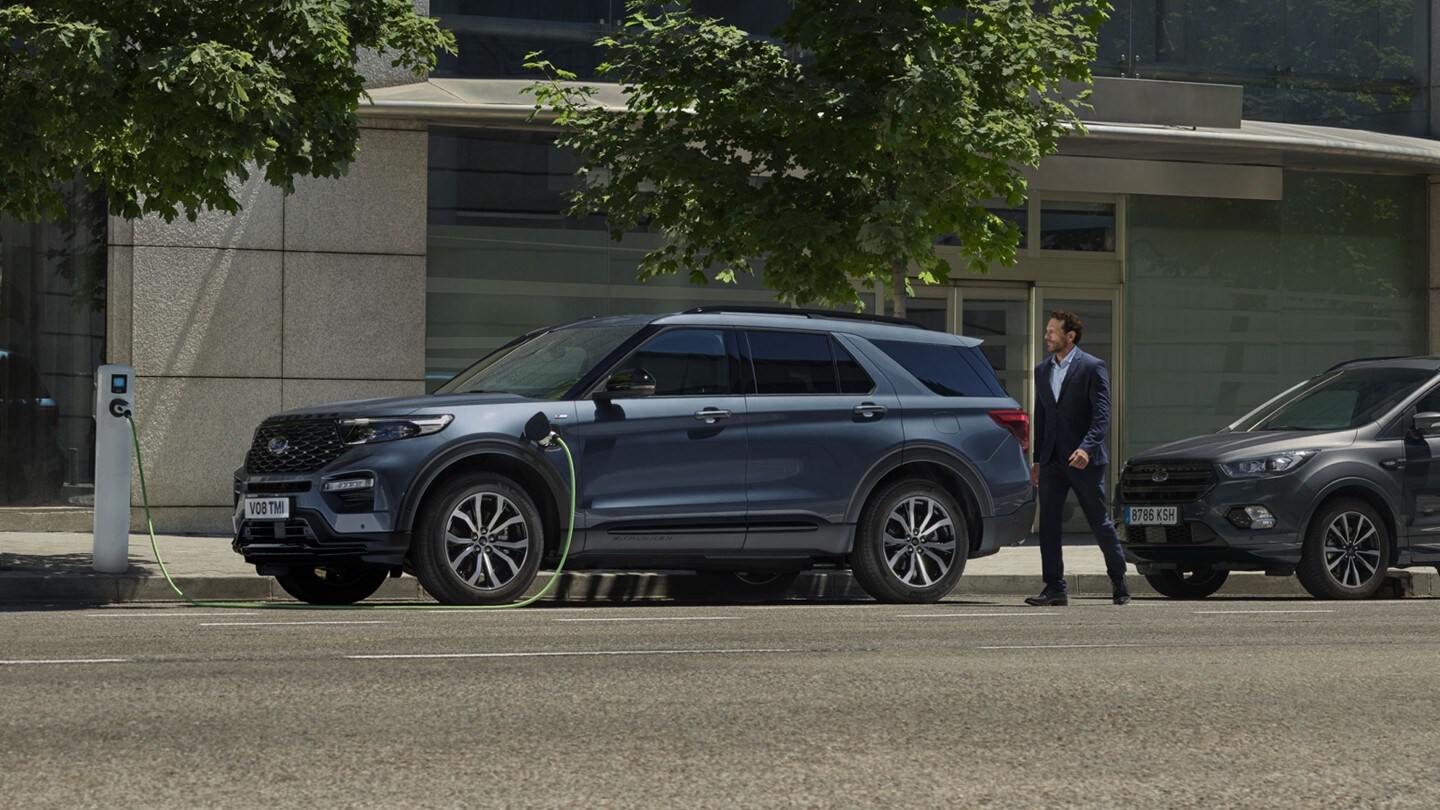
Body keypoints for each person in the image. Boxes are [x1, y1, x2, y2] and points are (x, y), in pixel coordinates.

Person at [1024, 310, 1131, 606]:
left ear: (1069, 336)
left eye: (1052, 331)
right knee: (1048, 523)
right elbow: (1042, 416)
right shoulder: (1042, 370)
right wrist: (1037, 459)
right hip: (1052, 461)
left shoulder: (1093, 367)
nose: (1046, 336)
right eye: (1046, 331)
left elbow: (1102, 415)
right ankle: (1055, 587)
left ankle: (1119, 579)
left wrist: (1087, 447)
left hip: (1084, 459)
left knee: (1099, 521)